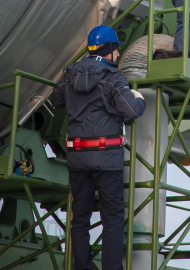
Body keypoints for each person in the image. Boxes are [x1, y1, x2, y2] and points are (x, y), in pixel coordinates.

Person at [49, 25, 146, 270]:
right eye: (117, 50)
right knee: (112, 219)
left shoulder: (70, 74)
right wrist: (139, 99)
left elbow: (55, 99)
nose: (118, 54)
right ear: (110, 50)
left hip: (77, 158)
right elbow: (131, 110)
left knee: (79, 219)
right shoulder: (113, 76)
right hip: (106, 159)